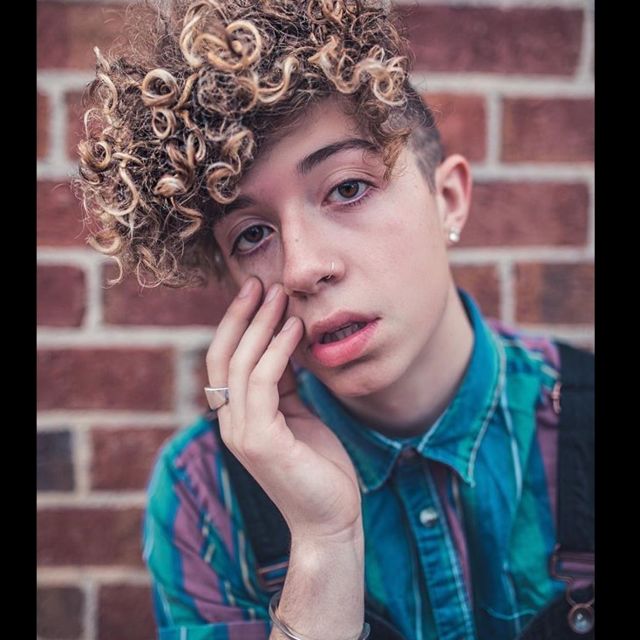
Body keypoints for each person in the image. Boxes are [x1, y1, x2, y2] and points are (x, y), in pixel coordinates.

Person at [75, 1, 594, 639]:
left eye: (347, 188)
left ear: (449, 200)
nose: (303, 268)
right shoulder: (204, 494)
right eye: (252, 233)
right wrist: (324, 544)